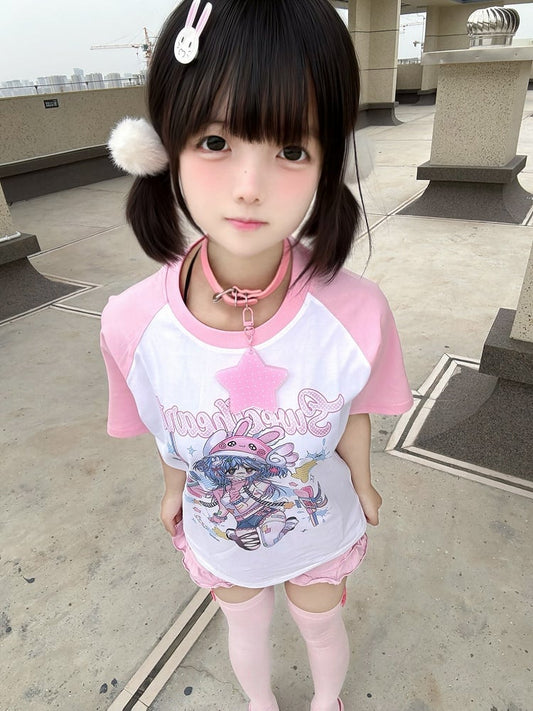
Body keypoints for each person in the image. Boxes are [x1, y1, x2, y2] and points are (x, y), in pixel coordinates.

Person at [101, 1, 413, 710]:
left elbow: (354, 410)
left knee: (320, 622)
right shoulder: (131, 323)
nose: (249, 186)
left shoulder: (356, 312)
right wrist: (173, 488)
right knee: (243, 625)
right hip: (220, 531)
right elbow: (166, 427)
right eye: (215, 141)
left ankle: (326, 701)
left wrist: (363, 483)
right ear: (162, 146)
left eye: (291, 150)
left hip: (319, 526)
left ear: (330, 162)